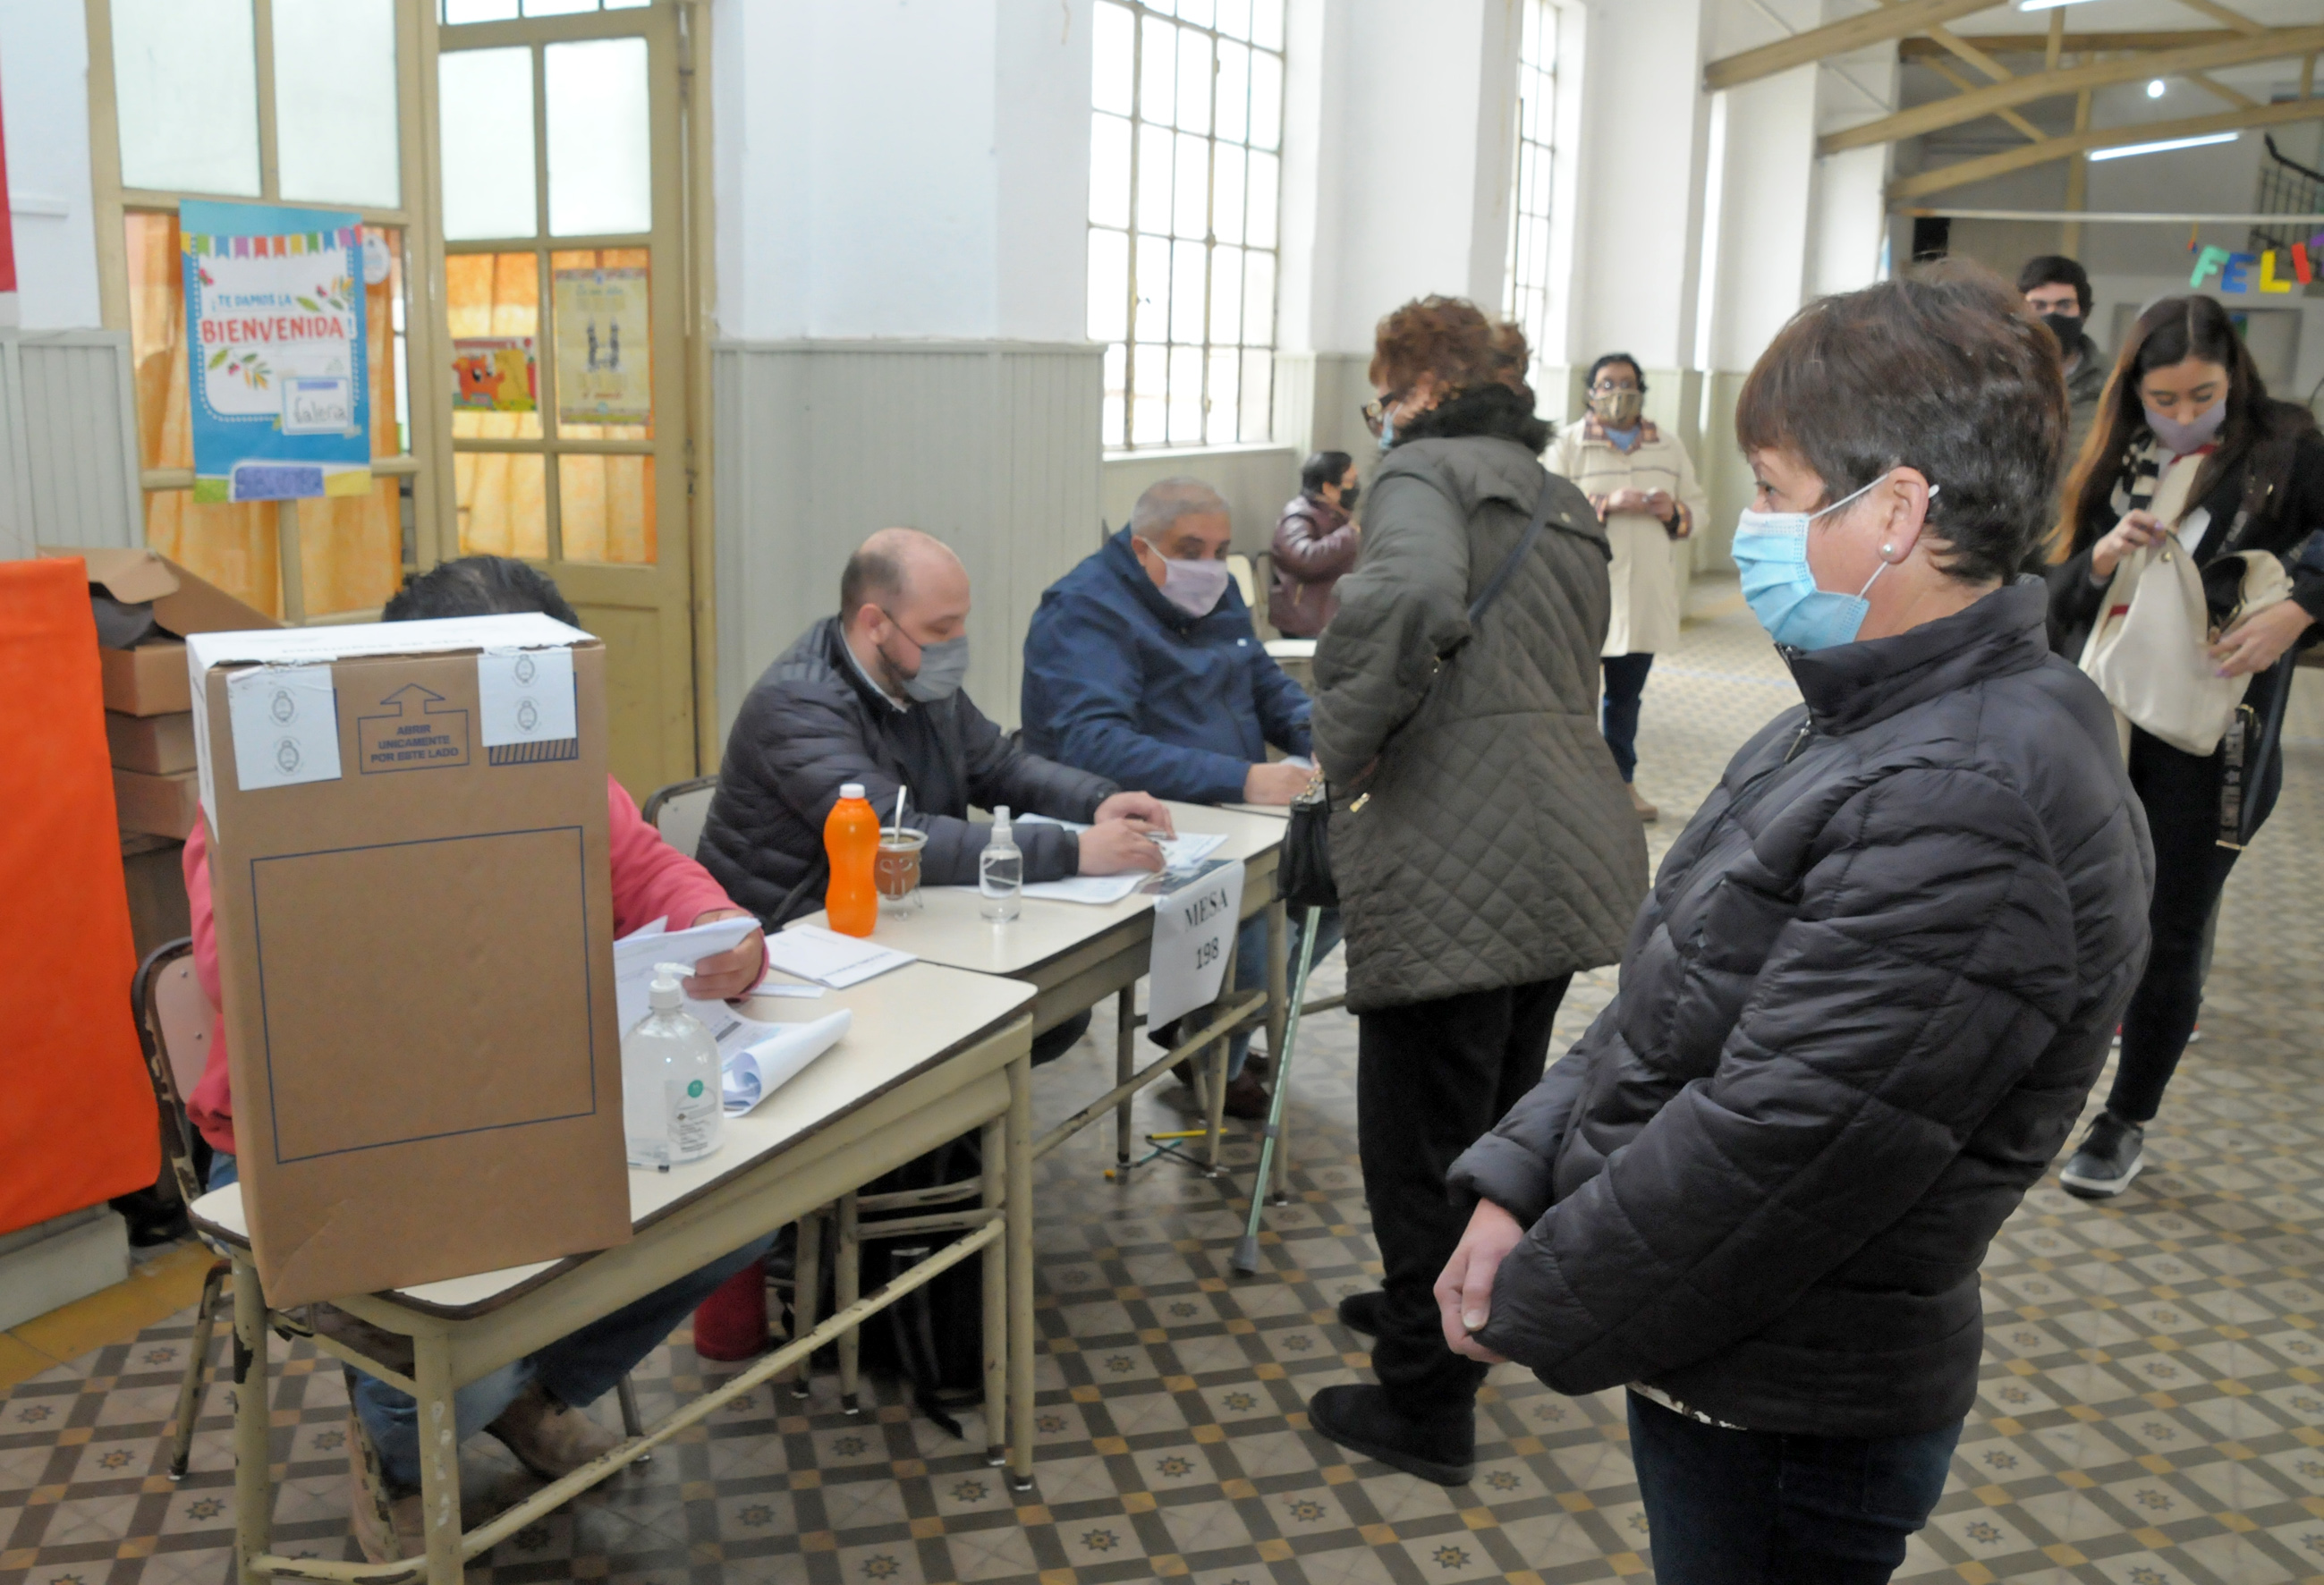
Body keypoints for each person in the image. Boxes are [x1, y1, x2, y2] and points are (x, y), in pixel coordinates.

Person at [1430, 266, 2150, 1581]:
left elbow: (1783, 1137)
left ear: (1893, 513)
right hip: (1734, 1347)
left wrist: (1531, 1297)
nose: (1749, 524)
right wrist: (1515, 1178)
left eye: (1770, 490)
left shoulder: (1965, 791)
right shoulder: (1866, 710)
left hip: (1793, 1396)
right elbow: (1674, 993)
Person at [182, 555, 776, 1563]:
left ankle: (528, 1396)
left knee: (736, 1212)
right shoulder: (262, 801)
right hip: (311, 1147)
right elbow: (242, 975)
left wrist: (719, 923)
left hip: (525, 1103)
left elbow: (652, 870)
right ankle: (409, 1456)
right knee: (420, 1292)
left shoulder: (555, 770)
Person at [1299, 295, 1649, 1484]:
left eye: (1380, 399)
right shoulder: (1555, 494)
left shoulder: (1418, 474)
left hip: (1456, 846)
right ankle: (1439, 1307)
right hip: (1560, 832)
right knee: (1493, 1126)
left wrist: (1339, 739)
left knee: (1416, 1142)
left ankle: (1423, 1402)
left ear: (1415, 393)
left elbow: (1402, 603)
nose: (1379, 421)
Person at [697, 528, 1175, 1063]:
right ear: (874, 623)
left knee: (1053, 1008)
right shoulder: (797, 702)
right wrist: (1074, 851)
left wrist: (1095, 801)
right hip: (792, 944)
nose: (957, 642)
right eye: (941, 628)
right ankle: (951, 1144)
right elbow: (891, 838)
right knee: (1005, 1022)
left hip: (898, 922)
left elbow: (999, 765)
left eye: (962, 622)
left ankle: (964, 1143)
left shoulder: (916, 677)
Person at [2045, 294, 2324, 1198]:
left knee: (2171, 930)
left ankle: (2125, 1117)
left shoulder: (2283, 442)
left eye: (2200, 392)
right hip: (2100, 720)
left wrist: (2299, 605)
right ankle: (2037, 1085)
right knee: (2073, 913)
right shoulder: (2115, 454)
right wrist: (2093, 561)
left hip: (2215, 739)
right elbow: (2052, 589)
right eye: (2162, 396)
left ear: (2232, 377)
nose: (2180, 411)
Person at [1021, 478, 1339, 1117]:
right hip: (1150, 819)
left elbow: (1262, 682)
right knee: (1254, 920)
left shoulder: (1211, 592)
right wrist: (1244, 779)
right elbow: (1092, 745)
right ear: (1141, 549)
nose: (1210, 566)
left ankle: (1213, 1027)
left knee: (1338, 877)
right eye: (1190, 548)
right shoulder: (1084, 610)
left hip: (1235, 810)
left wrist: (1325, 735)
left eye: (1222, 550)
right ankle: (1210, 1041)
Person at [1550, 353, 1709, 821]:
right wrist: (1604, 503)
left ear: (1642, 388)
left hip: (1641, 597)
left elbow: (1700, 509)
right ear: (1588, 392)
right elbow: (1546, 508)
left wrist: (1674, 511)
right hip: (1581, 593)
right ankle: (1568, 788)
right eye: (1605, 383)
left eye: (1626, 382)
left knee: (1625, 699)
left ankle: (1622, 784)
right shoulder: (1567, 444)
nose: (1617, 391)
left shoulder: (1668, 445)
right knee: (1571, 698)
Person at [2019, 255, 2108, 462]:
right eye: (2039, 306)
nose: (2051, 315)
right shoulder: (1999, 380)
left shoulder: (2110, 383)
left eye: (2064, 305)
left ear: (2083, 313)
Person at [1269, 451, 1361, 637]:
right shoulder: (1298, 516)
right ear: (1327, 488)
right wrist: (1350, 534)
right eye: (1350, 482)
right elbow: (1304, 558)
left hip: (1334, 616)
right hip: (1307, 621)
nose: (1355, 488)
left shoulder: (1338, 512)